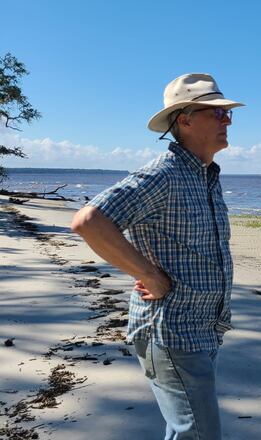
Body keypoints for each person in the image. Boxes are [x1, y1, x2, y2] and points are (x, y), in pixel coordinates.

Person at [71, 73, 243, 439]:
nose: (226, 121)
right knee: (198, 434)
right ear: (184, 119)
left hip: (203, 330)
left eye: (227, 113)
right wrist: (147, 274)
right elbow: (90, 221)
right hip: (172, 332)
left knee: (186, 431)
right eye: (216, 113)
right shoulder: (164, 175)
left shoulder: (205, 176)